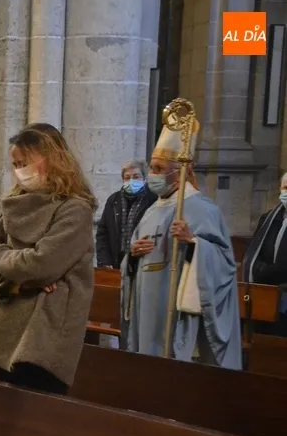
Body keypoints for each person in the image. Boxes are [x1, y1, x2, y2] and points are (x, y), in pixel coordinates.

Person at [0, 123, 95, 436]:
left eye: (25, 161)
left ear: (51, 158)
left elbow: (43, 263)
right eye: (14, 164)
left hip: (47, 335)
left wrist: (5, 260)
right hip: (10, 332)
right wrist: (14, 282)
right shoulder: (14, 205)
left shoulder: (74, 209)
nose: (19, 171)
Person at [121, 119, 241, 369]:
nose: (153, 174)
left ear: (181, 171)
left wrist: (194, 243)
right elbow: (132, 256)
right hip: (147, 303)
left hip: (175, 306)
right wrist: (132, 255)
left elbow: (225, 264)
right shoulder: (151, 211)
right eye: (152, 167)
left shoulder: (202, 209)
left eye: (159, 168)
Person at [241, 171, 287, 336]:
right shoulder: (269, 219)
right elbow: (254, 253)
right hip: (266, 295)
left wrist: (267, 272)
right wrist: (261, 270)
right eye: (285, 188)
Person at [95, 160, 158, 268]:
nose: (131, 181)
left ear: (144, 178)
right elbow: (103, 233)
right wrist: (104, 261)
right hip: (115, 263)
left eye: (136, 177)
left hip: (141, 261)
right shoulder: (114, 200)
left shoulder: (153, 199)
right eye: (127, 177)